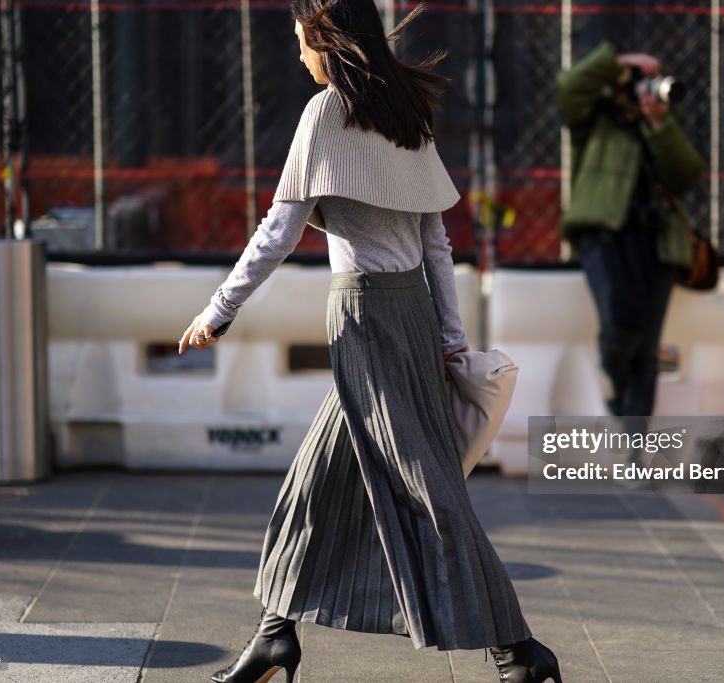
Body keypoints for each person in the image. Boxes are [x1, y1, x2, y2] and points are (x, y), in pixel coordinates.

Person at [178, 2, 562, 682]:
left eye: (302, 43)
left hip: (363, 320)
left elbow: (279, 228)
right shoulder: (403, 111)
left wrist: (218, 308)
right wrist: (448, 338)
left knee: (427, 487)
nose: (299, 56)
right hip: (408, 316)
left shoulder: (326, 113)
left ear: (328, 42)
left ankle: (518, 650)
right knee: (315, 483)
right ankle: (275, 637)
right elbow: (435, 242)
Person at [557, 41, 705, 420]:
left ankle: (634, 446)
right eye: (643, 81)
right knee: (618, 329)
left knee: (647, 347)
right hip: (603, 237)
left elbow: (686, 175)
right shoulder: (595, 116)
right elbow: (569, 88)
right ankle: (616, 385)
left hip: (658, 243)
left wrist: (659, 123)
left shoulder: (666, 118)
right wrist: (617, 63)